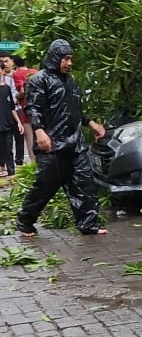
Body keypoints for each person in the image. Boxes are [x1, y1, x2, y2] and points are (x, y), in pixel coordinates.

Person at [16, 38, 108, 237]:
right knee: (45, 186)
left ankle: (88, 224)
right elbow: (33, 108)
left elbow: (76, 110)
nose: (69, 63)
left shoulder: (71, 82)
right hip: (52, 144)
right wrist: (39, 131)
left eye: (70, 59)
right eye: (66, 59)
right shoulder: (38, 80)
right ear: (56, 58)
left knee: (84, 183)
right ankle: (25, 220)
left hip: (75, 143)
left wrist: (91, 123)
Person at [11, 53, 37, 163]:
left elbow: (22, 91)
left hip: (26, 109)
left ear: (14, 63)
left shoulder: (17, 74)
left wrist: (17, 96)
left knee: (30, 138)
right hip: (38, 106)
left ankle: (34, 163)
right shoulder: (34, 72)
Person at [0, 77, 23, 179]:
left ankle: (11, 173)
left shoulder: (6, 88)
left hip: (7, 124)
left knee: (8, 149)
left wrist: (18, 122)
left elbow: (12, 108)